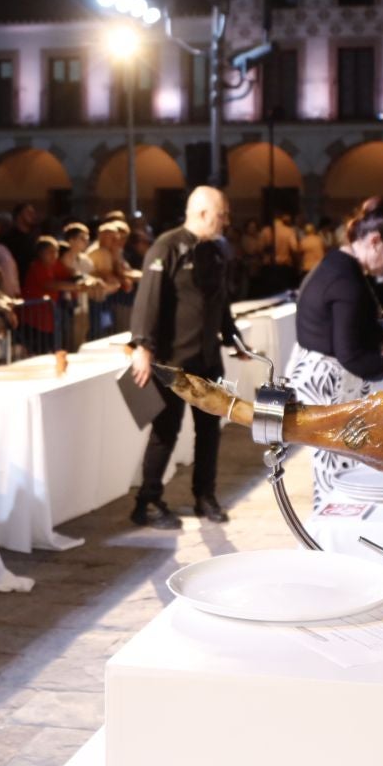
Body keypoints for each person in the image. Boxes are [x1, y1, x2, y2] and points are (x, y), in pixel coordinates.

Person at [282, 197, 383, 501]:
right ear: (375, 241)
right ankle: (327, 538)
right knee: (334, 471)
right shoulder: (345, 280)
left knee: (345, 458)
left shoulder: (344, 265)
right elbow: (351, 355)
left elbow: (364, 328)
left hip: (327, 374)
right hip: (324, 381)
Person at [127, 186, 237, 527]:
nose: (226, 221)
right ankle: (147, 501)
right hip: (173, 360)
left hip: (208, 359)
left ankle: (205, 496)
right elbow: (148, 299)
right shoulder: (167, 246)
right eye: (222, 215)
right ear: (203, 213)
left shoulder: (216, 251)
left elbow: (220, 301)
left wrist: (233, 337)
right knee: (166, 431)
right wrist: (142, 346)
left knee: (209, 429)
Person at [1, 202, 42, 280]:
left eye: (33, 213)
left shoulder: (34, 237)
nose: (33, 215)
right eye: (28, 213)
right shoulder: (8, 238)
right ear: (19, 216)